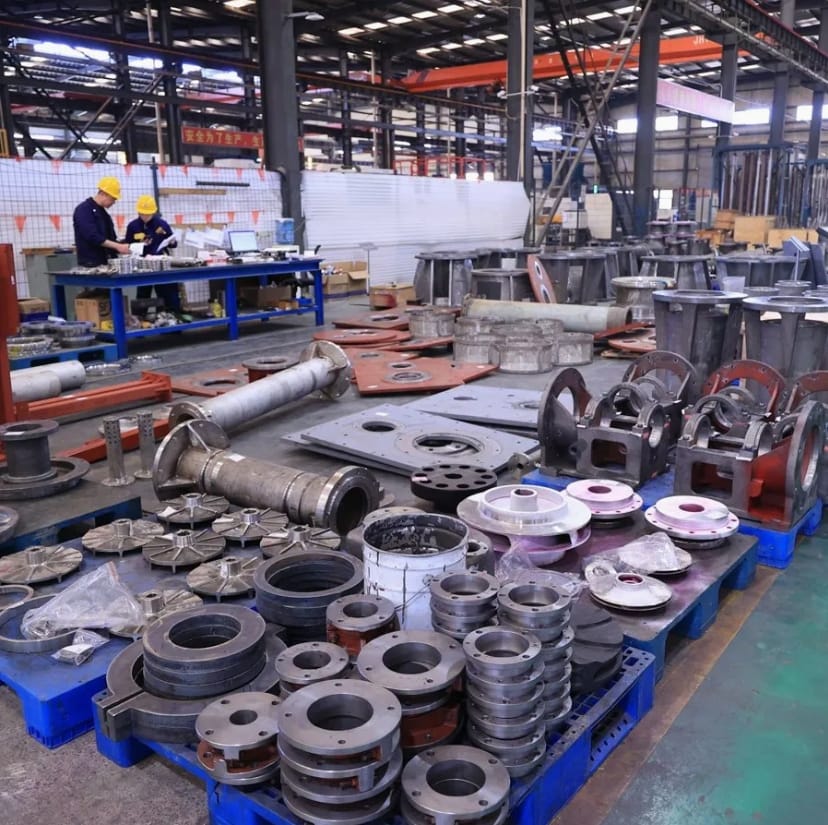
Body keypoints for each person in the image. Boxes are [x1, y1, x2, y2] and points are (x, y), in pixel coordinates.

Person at [125, 195, 179, 308]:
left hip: (160, 265)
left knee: (164, 293)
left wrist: (172, 242)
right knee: (143, 294)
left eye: (148, 214)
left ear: (153, 212)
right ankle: (141, 316)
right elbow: (127, 245)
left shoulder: (162, 224)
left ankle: (165, 314)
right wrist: (139, 245)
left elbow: (173, 243)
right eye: (142, 214)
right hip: (141, 266)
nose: (145, 217)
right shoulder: (133, 226)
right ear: (138, 212)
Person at [72, 177, 130, 267]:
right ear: (103, 194)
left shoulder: (104, 214)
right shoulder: (84, 210)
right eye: (113, 199)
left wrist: (122, 245)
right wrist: (117, 246)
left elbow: (110, 237)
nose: (114, 202)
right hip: (91, 263)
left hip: (106, 262)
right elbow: (92, 236)